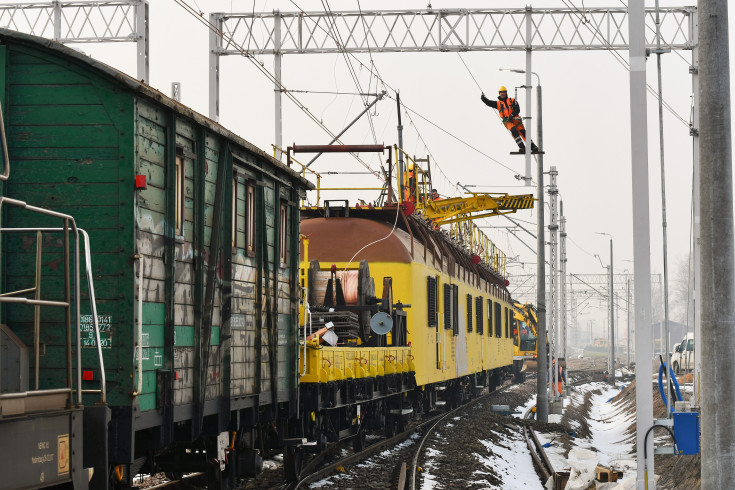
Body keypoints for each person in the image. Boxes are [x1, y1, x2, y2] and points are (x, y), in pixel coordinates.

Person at [481, 86, 539, 154]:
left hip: (516, 120)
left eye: (504, 92)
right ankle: (522, 147)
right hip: (508, 121)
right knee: (514, 131)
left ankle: (533, 147)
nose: (502, 93)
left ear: (506, 93)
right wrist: (483, 98)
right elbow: (489, 103)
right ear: (499, 93)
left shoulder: (513, 100)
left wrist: (512, 115)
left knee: (523, 133)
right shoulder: (498, 104)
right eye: (501, 92)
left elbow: (517, 109)